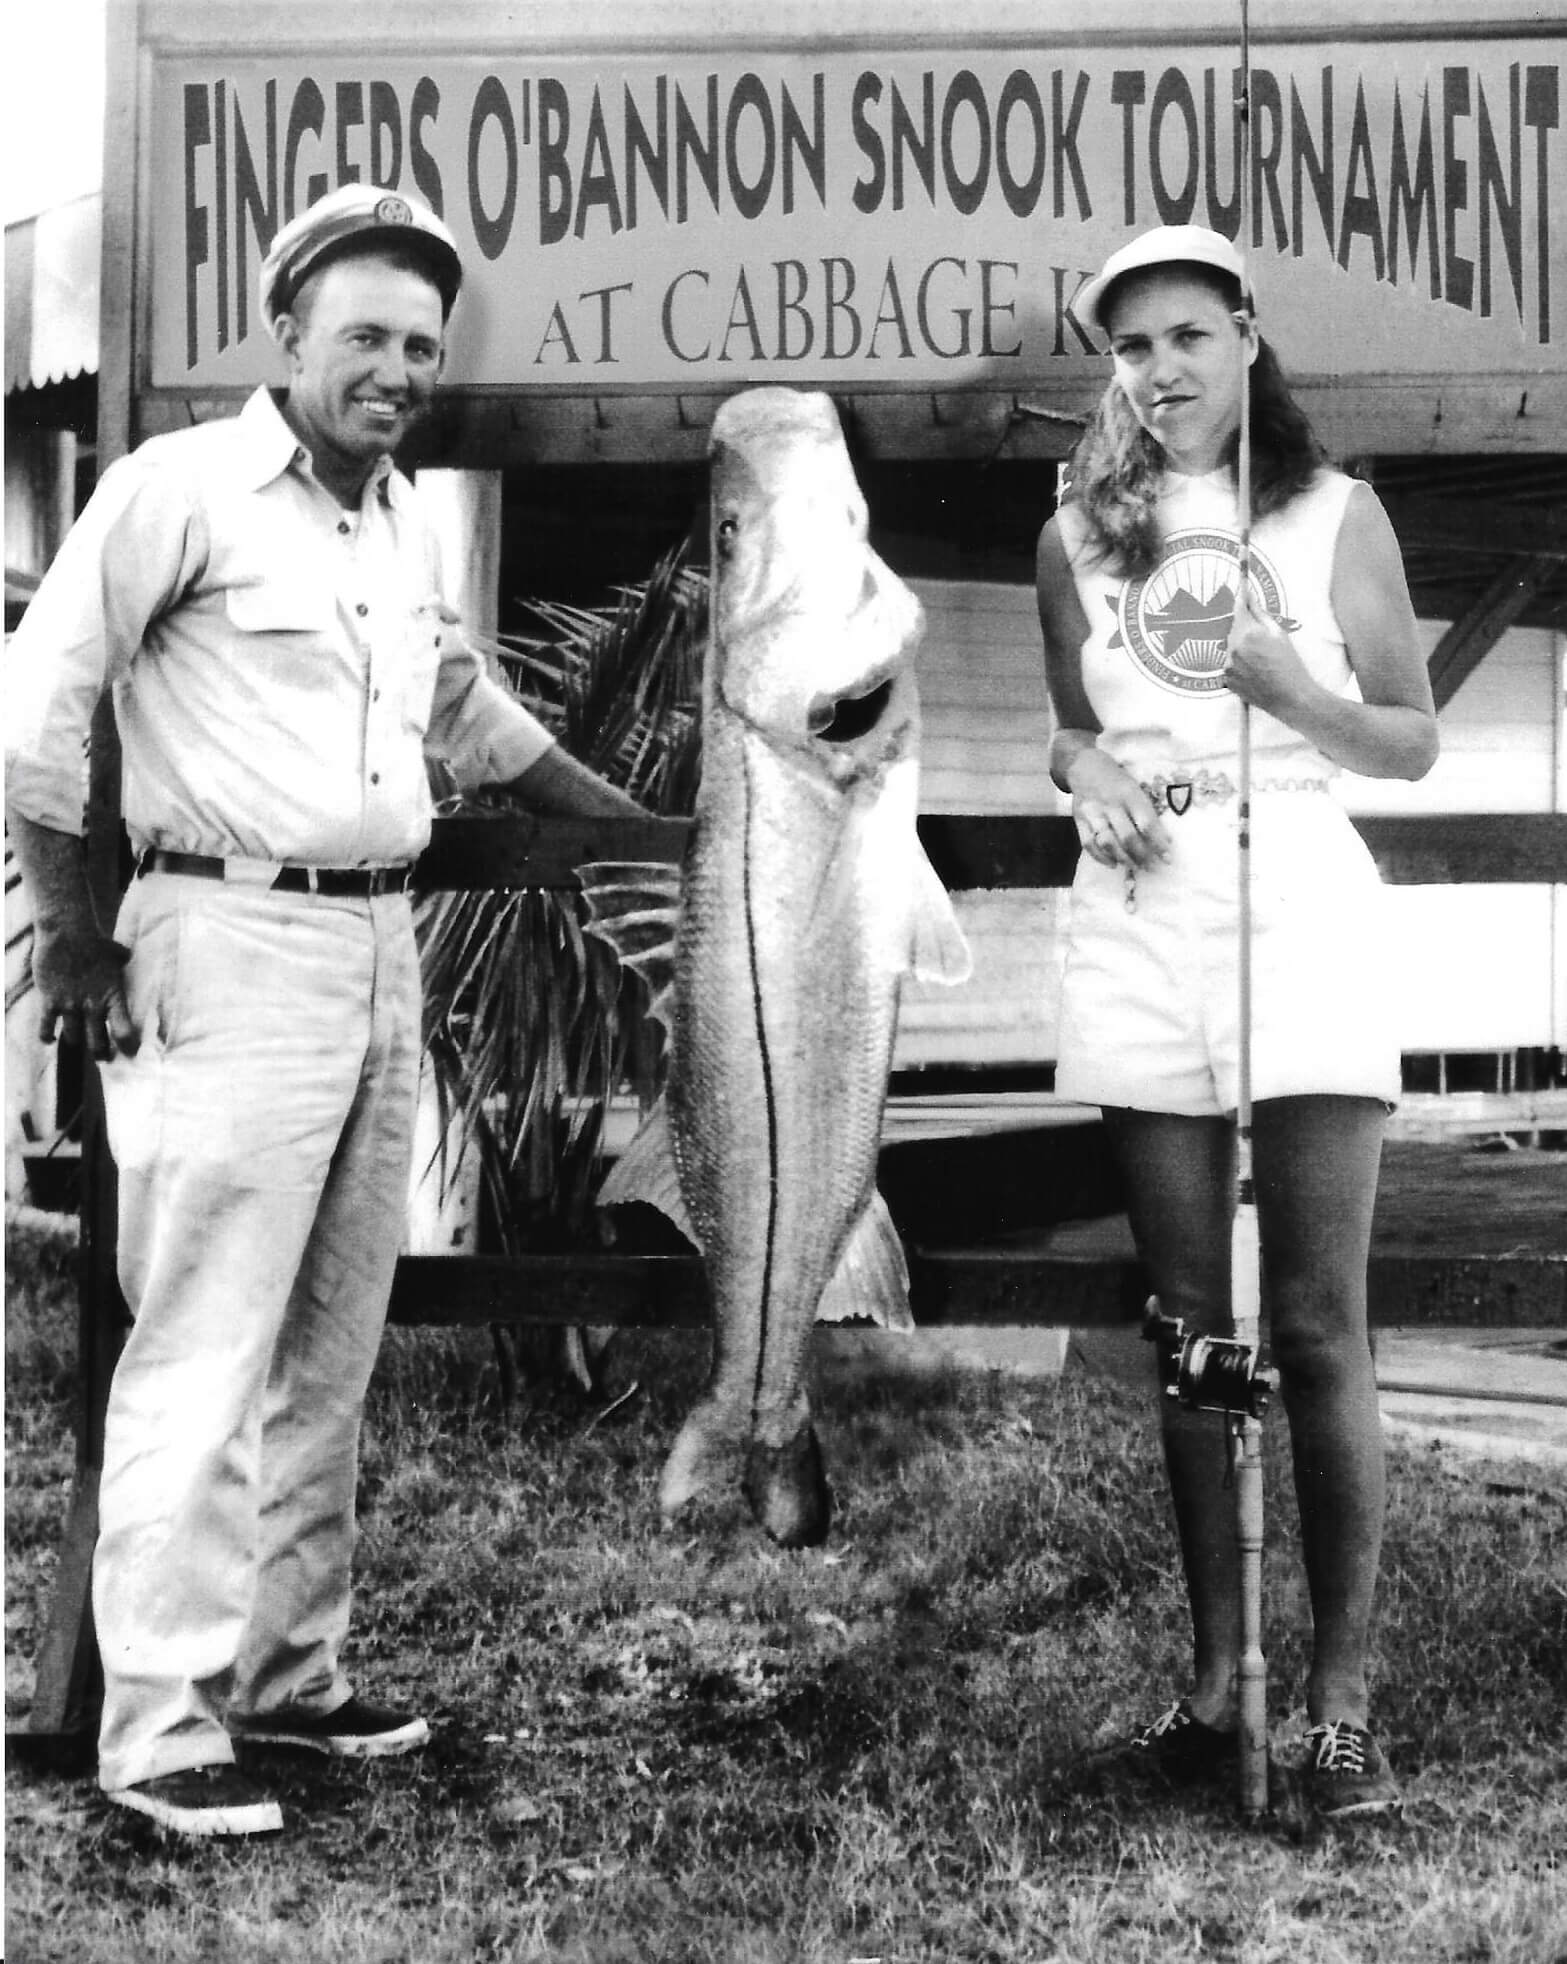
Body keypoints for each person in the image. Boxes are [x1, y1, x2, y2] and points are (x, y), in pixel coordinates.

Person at [5, 182, 646, 1840]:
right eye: (364, 334)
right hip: (223, 940)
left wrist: (635, 833)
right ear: (288, 334)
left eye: (419, 344)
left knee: (331, 1343)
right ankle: (159, 1727)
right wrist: (73, 937)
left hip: (380, 950)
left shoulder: (392, 526)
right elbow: (42, 707)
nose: (395, 367)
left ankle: (291, 1682)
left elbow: (467, 715)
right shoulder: (180, 488)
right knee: (205, 1341)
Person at [1036, 224, 1438, 1819]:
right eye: (1135, 349)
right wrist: (1097, 775)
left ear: (1249, 336)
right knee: (1190, 1329)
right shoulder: (1075, 528)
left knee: (1319, 1325)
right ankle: (1218, 1687)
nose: (1165, 373)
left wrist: (1294, 696)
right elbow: (1074, 733)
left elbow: (1404, 740)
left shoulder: (1336, 513)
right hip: (1145, 919)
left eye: (1192, 338)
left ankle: (1336, 1708)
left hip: (1304, 896)